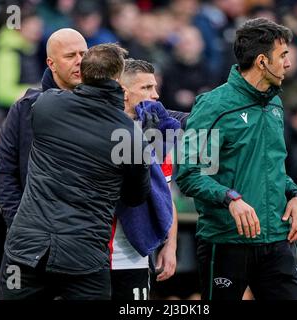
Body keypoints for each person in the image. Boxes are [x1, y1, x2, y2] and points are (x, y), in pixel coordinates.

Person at [0, 43, 150, 300]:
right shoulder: (129, 134)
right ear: (118, 80)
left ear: (84, 73)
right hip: (84, 257)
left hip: (26, 250)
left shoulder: (45, 105)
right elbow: (136, 196)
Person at [176, 18, 297, 300]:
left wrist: (296, 195)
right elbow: (189, 174)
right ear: (262, 61)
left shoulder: (275, 103)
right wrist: (230, 198)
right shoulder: (213, 106)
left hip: (277, 240)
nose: (288, 63)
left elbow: (270, 168)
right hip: (226, 241)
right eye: (283, 55)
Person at [110, 58, 179, 300]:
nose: (156, 95)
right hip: (95, 253)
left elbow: (165, 195)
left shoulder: (161, 136)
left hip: (135, 257)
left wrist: (170, 246)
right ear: (124, 93)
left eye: (156, 87)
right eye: (147, 88)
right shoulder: (100, 130)